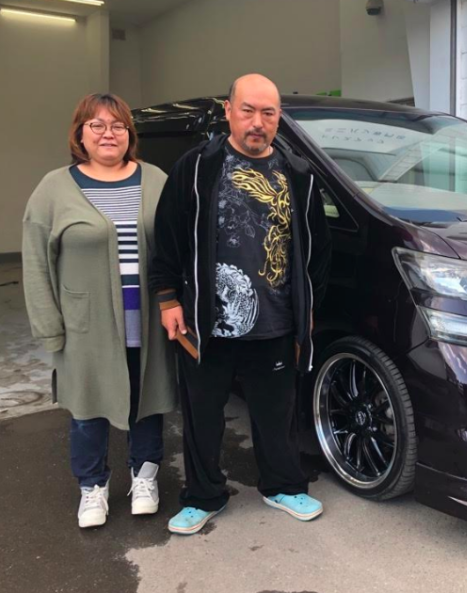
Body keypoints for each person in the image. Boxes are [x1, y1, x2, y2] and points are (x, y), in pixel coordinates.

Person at [150, 73, 332, 535]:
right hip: (205, 321)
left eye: (268, 113)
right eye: (248, 110)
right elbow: (167, 237)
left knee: (276, 413)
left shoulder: (299, 174)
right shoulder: (196, 167)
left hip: (275, 321)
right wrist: (168, 299)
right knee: (202, 415)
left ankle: (283, 486)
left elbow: (318, 249)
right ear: (228, 111)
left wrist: (308, 304)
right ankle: (202, 496)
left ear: (278, 118)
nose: (257, 122)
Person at [22, 93, 176, 528]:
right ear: (80, 133)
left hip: (147, 320)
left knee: (147, 401)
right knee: (87, 409)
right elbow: (36, 260)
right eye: (98, 125)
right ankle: (92, 486)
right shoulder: (55, 188)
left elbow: (178, 245)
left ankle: (145, 477)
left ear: (129, 134)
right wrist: (49, 326)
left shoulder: (156, 179)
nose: (109, 133)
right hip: (85, 326)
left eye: (118, 126)